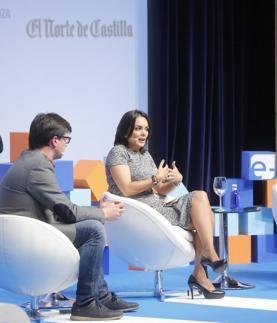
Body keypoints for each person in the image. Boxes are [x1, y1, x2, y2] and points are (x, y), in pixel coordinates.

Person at [0, 113, 139, 321]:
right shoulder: (37, 165)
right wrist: (103, 213)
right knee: (94, 230)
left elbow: (61, 209)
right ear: (54, 140)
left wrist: (95, 211)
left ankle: (99, 295)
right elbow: (67, 211)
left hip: (27, 233)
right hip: (27, 240)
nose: (67, 144)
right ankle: (85, 304)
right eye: (66, 139)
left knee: (90, 225)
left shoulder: (30, 160)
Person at [105, 110, 226, 299]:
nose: (144, 133)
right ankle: (204, 266)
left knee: (202, 200)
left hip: (157, 208)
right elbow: (126, 189)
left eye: (146, 129)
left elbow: (160, 189)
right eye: (138, 129)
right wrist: (155, 178)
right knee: (204, 215)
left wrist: (175, 181)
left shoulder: (145, 155)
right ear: (125, 131)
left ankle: (204, 266)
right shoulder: (117, 153)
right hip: (140, 214)